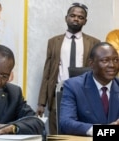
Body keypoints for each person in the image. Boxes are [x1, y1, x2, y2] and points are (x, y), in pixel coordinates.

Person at [36, 2, 100, 134]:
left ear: (85, 21)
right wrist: (41, 103)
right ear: (66, 18)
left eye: (80, 17)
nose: (76, 19)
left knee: (82, 131)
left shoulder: (94, 42)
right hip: (59, 93)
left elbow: (97, 72)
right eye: (73, 15)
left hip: (84, 95)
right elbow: (47, 73)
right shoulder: (54, 42)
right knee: (56, 132)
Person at [60, 42, 119, 136]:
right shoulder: (73, 86)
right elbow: (66, 123)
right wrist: (101, 131)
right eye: (105, 60)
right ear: (91, 63)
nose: (112, 65)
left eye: (116, 60)